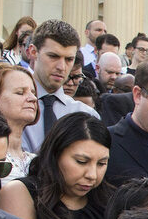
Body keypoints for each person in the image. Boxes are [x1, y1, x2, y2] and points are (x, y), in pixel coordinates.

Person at [0, 113, 114, 219]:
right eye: (81, 162)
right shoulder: (21, 193)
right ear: (55, 155)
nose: (92, 175)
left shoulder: (109, 199)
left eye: (102, 163)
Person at [22, 20, 99, 154]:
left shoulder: (86, 115)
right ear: (33, 52)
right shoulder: (11, 108)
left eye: (69, 59)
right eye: (53, 56)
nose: (61, 67)